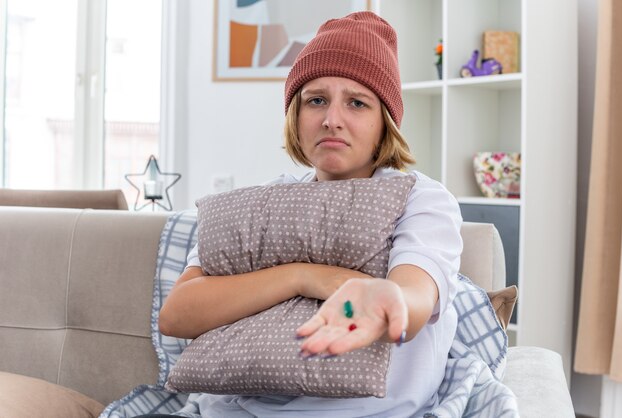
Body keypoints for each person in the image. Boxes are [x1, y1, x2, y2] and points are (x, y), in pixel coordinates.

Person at [157, 11, 462, 418]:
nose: (331, 119)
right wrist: (307, 276)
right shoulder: (267, 201)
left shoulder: (421, 200)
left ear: (384, 122)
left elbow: (415, 297)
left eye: (357, 102)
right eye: (316, 100)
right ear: (296, 117)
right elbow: (177, 314)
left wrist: (388, 298)